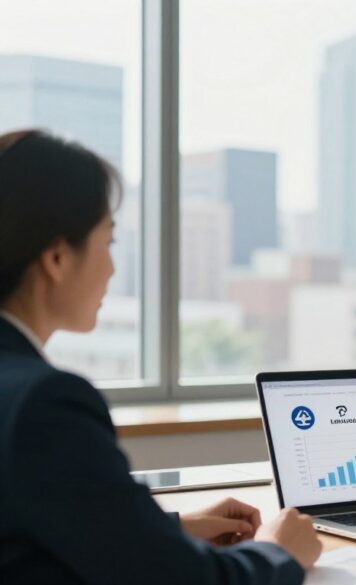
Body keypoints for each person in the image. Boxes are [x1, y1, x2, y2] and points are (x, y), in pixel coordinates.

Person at [0, 130, 322, 584]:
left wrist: (168, 530)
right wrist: (278, 552)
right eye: (108, 242)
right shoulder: (43, 402)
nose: (112, 268)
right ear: (56, 257)